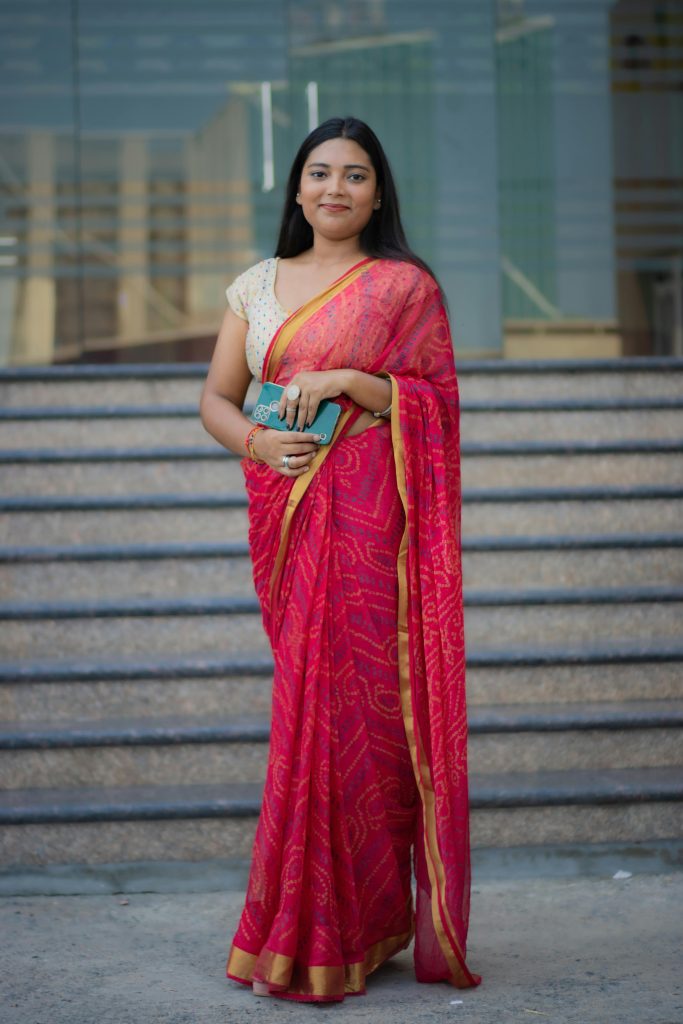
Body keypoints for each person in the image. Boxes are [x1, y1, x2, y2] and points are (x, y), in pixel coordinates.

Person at [199, 116, 481, 1003]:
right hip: (286, 521)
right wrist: (255, 446)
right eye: (319, 173)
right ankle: (302, 925)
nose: (335, 189)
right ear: (295, 188)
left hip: (368, 536)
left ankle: (356, 926)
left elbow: (435, 399)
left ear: (378, 192)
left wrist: (358, 385)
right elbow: (215, 397)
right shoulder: (255, 285)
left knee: (360, 727)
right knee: (304, 717)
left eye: (355, 176)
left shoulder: (402, 287)